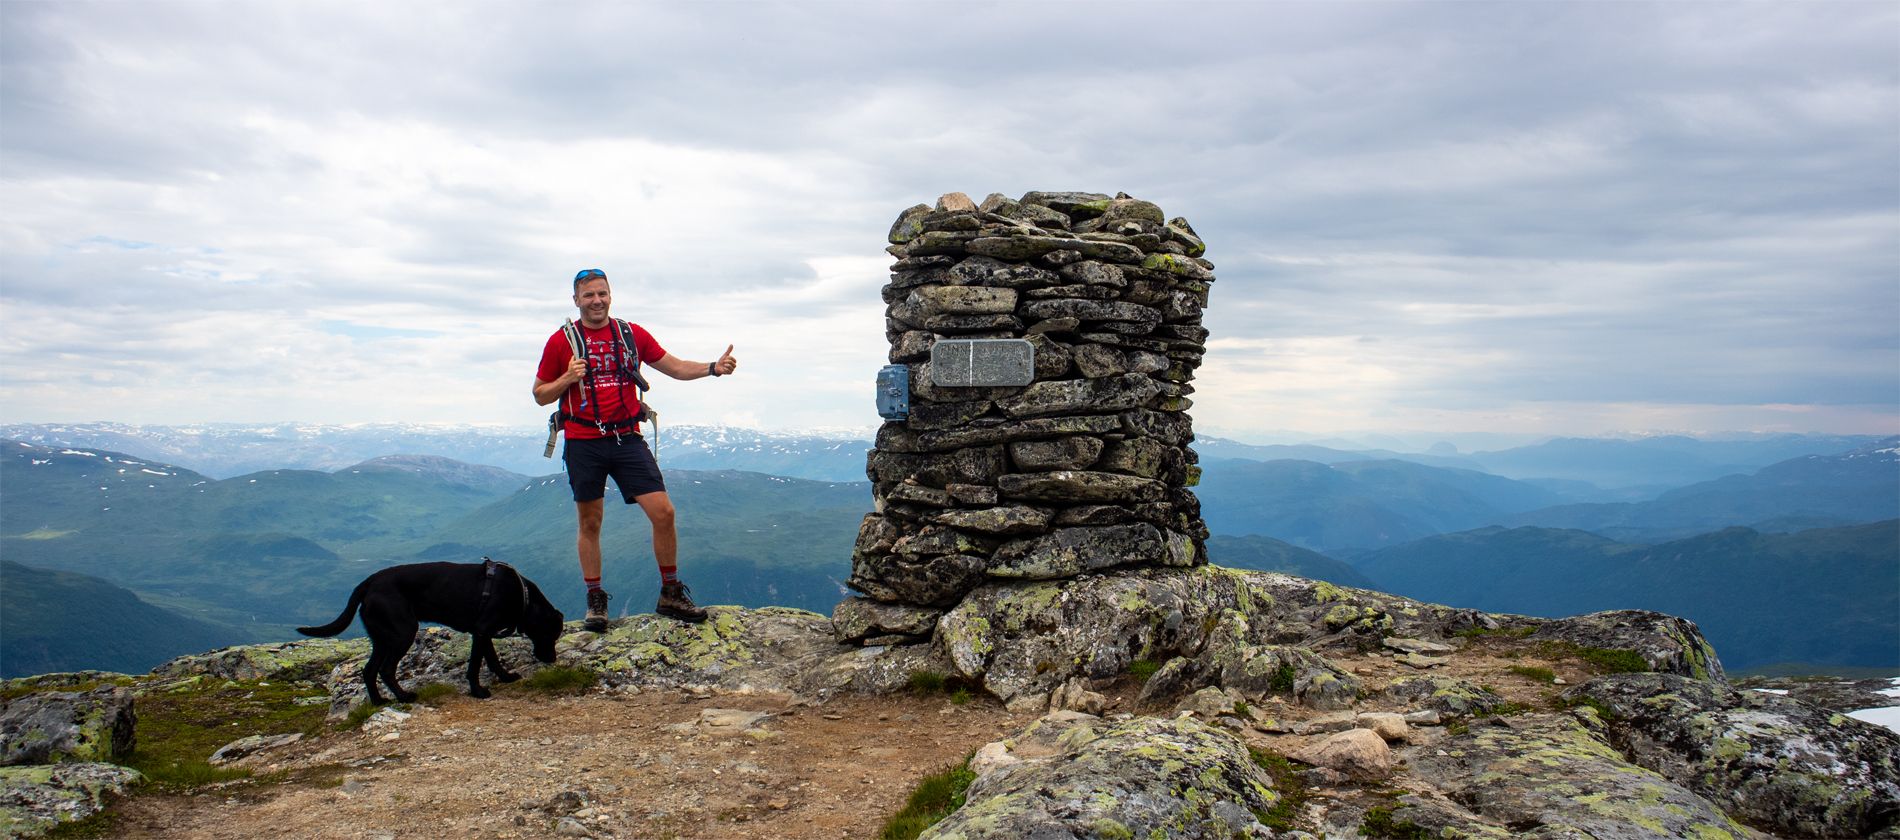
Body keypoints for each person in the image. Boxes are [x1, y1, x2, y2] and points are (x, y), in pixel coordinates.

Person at [533, 267, 737, 630]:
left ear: (610, 295)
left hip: (626, 438)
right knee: (590, 521)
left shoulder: (631, 334)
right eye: (589, 295)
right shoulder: (560, 342)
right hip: (584, 441)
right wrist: (567, 378)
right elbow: (540, 394)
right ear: (576, 299)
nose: (596, 301)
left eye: (602, 293)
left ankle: (670, 593)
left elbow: (673, 366)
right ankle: (596, 600)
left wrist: (713, 368)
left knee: (664, 512)